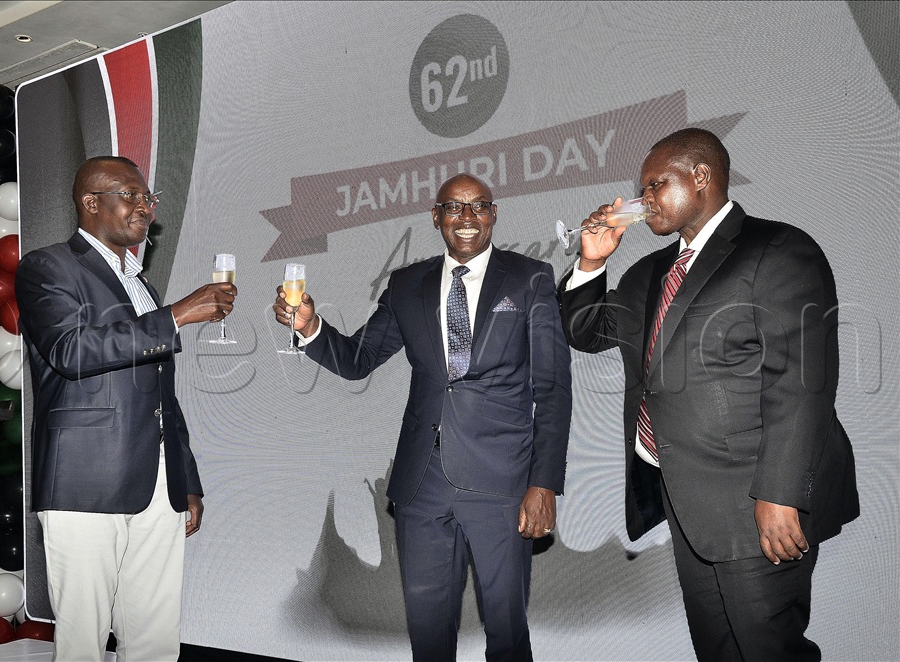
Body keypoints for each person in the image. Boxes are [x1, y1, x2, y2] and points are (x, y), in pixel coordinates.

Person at [558, 128, 859, 660]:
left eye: (656, 186)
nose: (643, 200)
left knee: (768, 649)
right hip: (689, 504)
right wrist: (592, 262)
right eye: (642, 190)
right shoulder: (648, 274)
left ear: (701, 178)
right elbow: (584, 332)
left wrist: (780, 493)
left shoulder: (777, 249)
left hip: (757, 501)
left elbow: (802, 384)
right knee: (718, 651)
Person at [272, 173, 572, 661]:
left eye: (479, 207)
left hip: (502, 483)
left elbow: (553, 390)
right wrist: (310, 327)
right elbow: (357, 360)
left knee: (507, 632)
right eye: (454, 207)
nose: (467, 217)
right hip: (421, 485)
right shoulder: (407, 283)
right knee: (428, 636)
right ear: (436, 217)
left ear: (494, 215)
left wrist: (544, 483)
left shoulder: (530, 277)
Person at [17, 156, 236, 661]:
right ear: (90, 202)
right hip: (84, 479)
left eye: (148, 198)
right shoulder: (48, 266)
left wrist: (186, 479)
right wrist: (177, 314)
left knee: (155, 638)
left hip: (159, 483)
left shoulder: (140, 284)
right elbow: (72, 351)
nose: (145, 208)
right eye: (131, 196)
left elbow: (163, 392)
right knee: (84, 640)